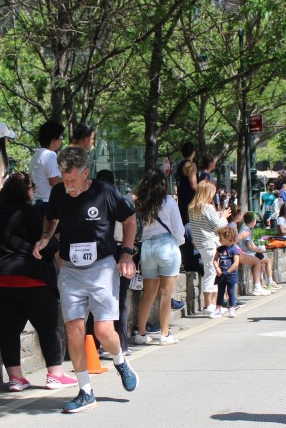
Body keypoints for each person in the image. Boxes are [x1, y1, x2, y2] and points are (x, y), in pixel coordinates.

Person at [31, 146, 139, 413]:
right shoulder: (59, 193)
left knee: (103, 332)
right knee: (74, 329)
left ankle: (120, 360)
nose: (69, 185)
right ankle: (85, 391)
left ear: (86, 173)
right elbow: (50, 219)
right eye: (65, 180)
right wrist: (45, 237)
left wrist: (126, 253)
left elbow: (130, 220)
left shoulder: (104, 192)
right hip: (70, 270)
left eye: (73, 180)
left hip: (102, 268)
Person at [0, 171, 79, 391]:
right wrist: (52, 246)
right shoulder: (32, 214)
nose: (33, 191)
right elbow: (47, 245)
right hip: (30, 277)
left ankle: (15, 378)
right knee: (47, 327)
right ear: (26, 191)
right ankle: (55, 374)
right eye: (31, 188)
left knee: (9, 328)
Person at [132, 168, 185, 345]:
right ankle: (164, 334)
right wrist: (178, 242)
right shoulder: (169, 201)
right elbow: (179, 229)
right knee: (166, 294)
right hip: (167, 246)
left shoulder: (142, 202)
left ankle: (141, 333)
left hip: (147, 248)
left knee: (148, 294)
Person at [85, 169, 133, 357]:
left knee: (95, 301)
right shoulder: (121, 202)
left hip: (99, 253)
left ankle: (94, 346)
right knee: (119, 300)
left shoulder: (92, 201)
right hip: (120, 251)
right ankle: (121, 345)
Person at [188, 179, 232, 317]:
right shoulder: (207, 207)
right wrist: (224, 217)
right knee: (211, 272)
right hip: (210, 243)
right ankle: (208, 304)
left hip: (202, 243)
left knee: (212, 271)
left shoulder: (193, 207)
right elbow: (219, 225)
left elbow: (204, 224)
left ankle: (213, 304)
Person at [237, 211, 280, 292]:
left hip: (249, 251)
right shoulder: (246, 230)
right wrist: (259, 250)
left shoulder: (247, 228)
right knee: (267, 260)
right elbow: (249, 246)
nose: (256, 222)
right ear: (253, 221)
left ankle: (262, 284)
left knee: (264, 262)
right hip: (248, 252)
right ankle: (268, 282)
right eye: (255, 220)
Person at [29, 120, 65, 205]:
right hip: (47, 202)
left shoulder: (37, 154)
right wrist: (70, 177)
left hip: (37, 202)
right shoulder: (49, 155)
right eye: (61, 137)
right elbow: (54, 182)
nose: (61, 141)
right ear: (53, 140)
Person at [215, 225, 240, 317]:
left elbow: (236, 263)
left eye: (221, 238)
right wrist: (217, 268)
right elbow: (215, 259)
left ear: (228, 238)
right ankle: (218, 309)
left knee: (231, 292)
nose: (219, 240)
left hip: (230, 275)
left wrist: (228, 271)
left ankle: (231, 308)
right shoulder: (220, 249)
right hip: (221, 274)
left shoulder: (234, 249)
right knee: (220, 292)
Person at [174, 142, 198, 224]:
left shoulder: (179, 165)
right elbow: (193, 185)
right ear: (193, 152)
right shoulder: (191, 165)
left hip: (182, 203)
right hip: (191, 203)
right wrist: (204, 193)